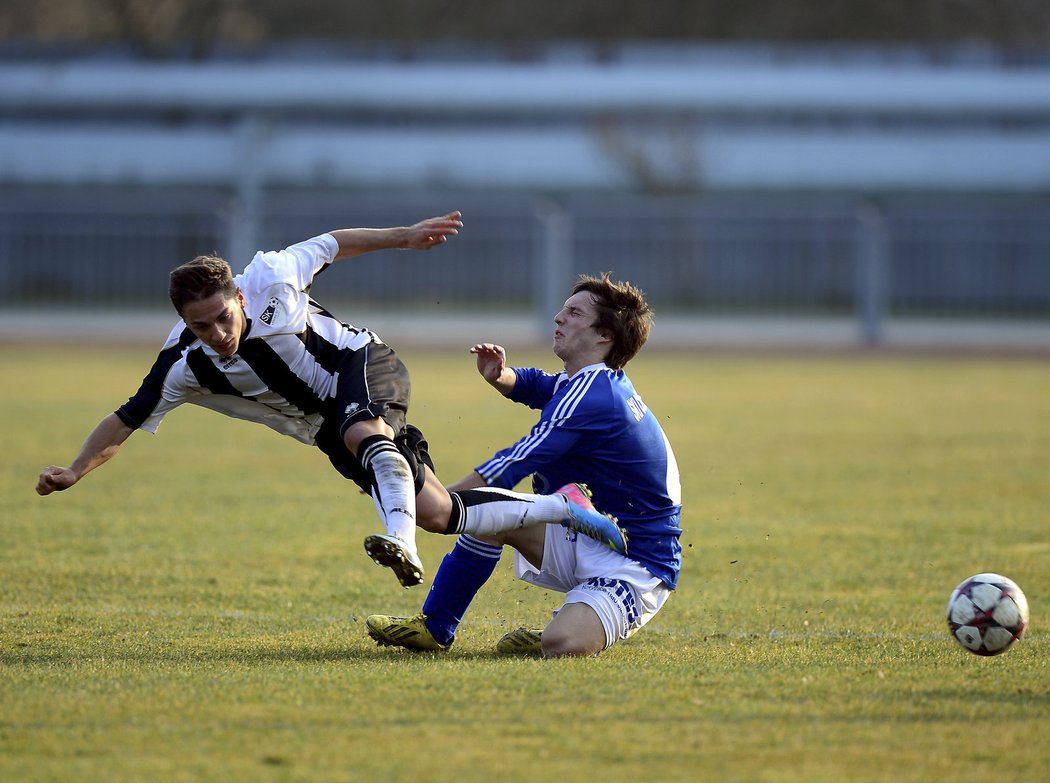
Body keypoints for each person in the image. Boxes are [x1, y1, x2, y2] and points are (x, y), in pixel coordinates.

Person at [35, 212, 626, 590]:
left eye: (221, 317)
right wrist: (75, 470)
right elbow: (126, 418)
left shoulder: (270, 276)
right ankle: (564, 511)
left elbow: (332, 242)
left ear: (239, 295)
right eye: (199, 326)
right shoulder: (182, 362)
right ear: (182, 324)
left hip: (364, 364)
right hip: (323, 426)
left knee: (361, 432)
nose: (216, 334)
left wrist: (403, 237)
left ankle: (399, 545)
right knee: (439, 511)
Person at [366, 272, 682, 656]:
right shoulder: (592, 382)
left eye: (574, 312)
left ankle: (573, 623)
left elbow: (518, 460)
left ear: (605, 335)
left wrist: (444, 501)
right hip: (589, 533)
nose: (558, 318)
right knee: (492, 520)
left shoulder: (594, 397)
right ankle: (435, 627)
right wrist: (503, 376)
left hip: (636, 561)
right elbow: (541, 384)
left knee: (562, 643)